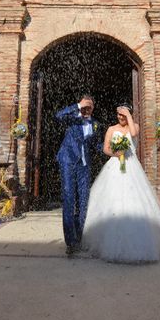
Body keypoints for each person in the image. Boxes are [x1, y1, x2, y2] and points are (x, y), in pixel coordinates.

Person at [82, 105, 160, 263]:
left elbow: (134, 134)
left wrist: (129, 116)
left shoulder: (134, 126)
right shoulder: (111, 129)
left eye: (123, 116)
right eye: (119, 115)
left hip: (131, 166)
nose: (120, 118)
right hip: (115, 165)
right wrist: (116, 153)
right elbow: (105, 149)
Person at [55, 95, 102, 255]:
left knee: (84, 201)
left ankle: (80, 237)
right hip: (68, 161)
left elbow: (97, 145)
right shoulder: (72, 119)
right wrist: (77, 106)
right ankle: (70, 242)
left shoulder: (95, 124)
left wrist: (116, 147)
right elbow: (58, 116)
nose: (87, 109)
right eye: (85, 106)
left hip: (84, 165)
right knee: (69, 199)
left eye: (90, 106)